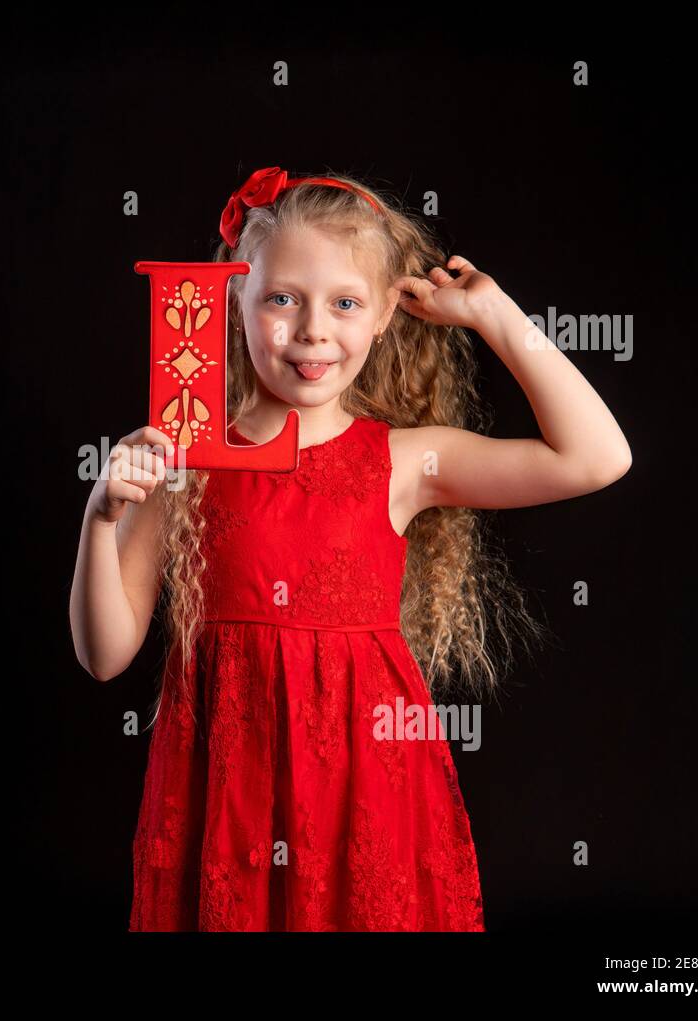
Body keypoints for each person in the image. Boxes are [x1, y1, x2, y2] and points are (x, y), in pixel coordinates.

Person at [69, 165, 632, 931]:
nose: (311, 331)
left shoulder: (404, 462)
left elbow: (596, 456)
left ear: (383, 318)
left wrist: (494, 314)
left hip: (368, 793)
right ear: (235, 299)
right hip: (226, 799)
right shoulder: (184, 462)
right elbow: (104, 654)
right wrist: (100, 517)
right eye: (281, 298)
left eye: (343, 303)